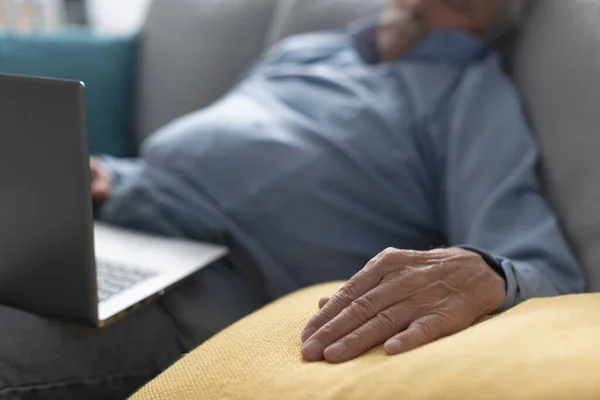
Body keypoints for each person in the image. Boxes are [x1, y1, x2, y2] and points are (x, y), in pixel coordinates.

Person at [0, 0, 585, 398]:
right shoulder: (305, 51)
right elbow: (209, 156)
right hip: (113, 229)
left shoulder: (470, 95)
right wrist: (111, 176)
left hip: (204, 291)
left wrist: (484, 271)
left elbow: (544, 267)